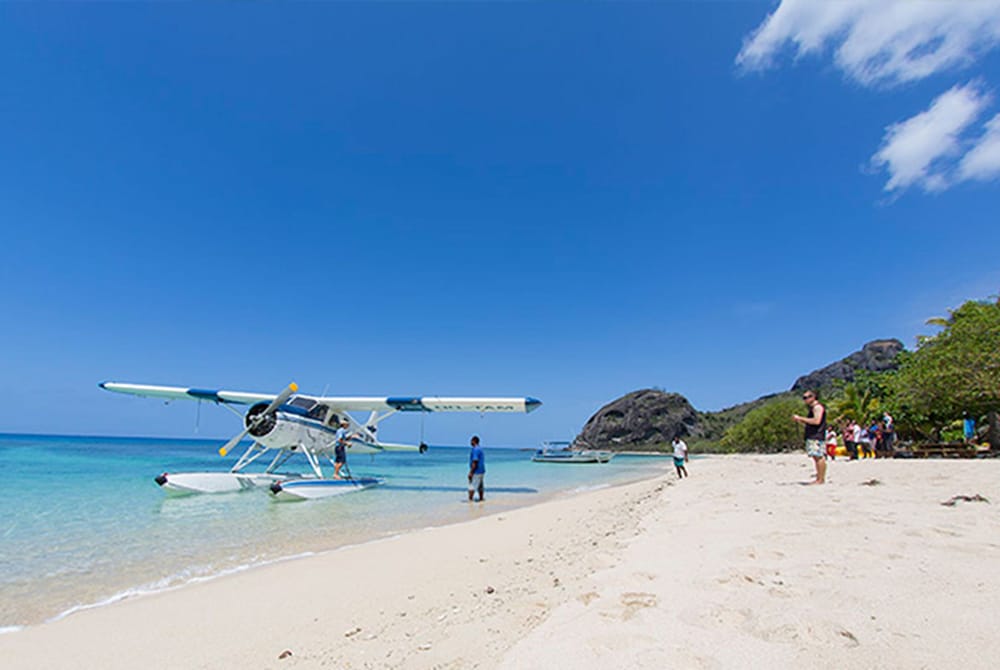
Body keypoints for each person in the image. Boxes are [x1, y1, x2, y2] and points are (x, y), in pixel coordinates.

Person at [792, 389, 827, 484]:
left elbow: (816, 421)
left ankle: (820, 479)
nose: (805, 400)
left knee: (818, 456)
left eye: (806, 397)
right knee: (816, 457)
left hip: (817, 435)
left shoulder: (817, 408)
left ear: (813, 397)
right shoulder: (813, 408)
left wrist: (800, 418)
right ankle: (819, 478)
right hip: (814, 435)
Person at [468, 435, 485, 502]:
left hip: (476, 471)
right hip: (482, 470)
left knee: (472, 486)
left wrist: (471, 472)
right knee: (480, 486)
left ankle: (470, 499)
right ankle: (481, 499)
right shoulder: (480, 449)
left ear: (474, 441)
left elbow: (475, 461)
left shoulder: (475, 449)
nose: (470, 442)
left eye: (471, 441)